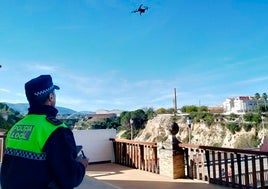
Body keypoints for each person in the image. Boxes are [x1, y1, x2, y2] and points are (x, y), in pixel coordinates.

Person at [0, 75, 88, 189]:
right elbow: (69, 178)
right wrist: (82, 165)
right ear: (51, 97)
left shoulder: (16, 127)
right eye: (54, 94)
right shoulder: (56, 130)